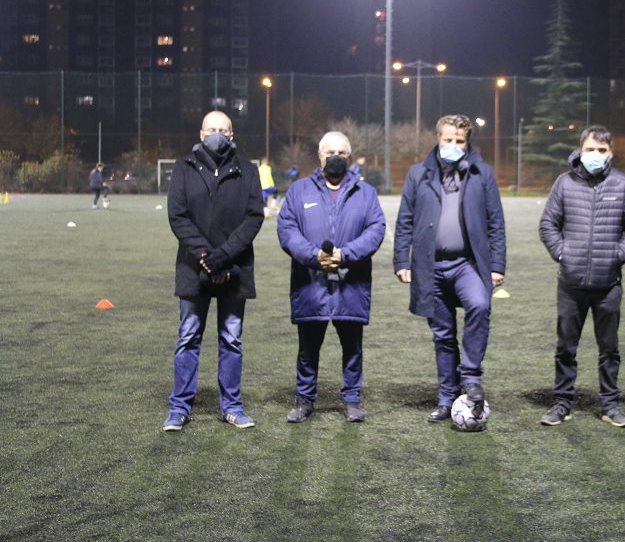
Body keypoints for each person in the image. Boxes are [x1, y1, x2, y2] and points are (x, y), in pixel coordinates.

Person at [393, 114, 506, 423]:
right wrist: (402, 260)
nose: (453, 145)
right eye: (448, 140)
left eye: (460, 141)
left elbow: (496, 222)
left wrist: (497, 266)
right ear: (438, 140)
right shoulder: (418, 174)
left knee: (480, 305)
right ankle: (446, 398)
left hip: (467, 264)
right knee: (442, 335)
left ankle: (471, 378)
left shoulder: (482, 174)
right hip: (430, 266)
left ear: (467, 144)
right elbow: (405, 220)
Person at [163, 111, 265, 431]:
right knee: (188, 337)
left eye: (223, 129)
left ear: (231, 135)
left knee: (231, 339)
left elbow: (253, 217)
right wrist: (206, 254)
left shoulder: (248, 170)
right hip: (194, 268)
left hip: (234, 268)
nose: (217, 134)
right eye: (212, 129)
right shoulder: (184, 167)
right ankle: (179, 407)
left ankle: (232, 406)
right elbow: (177, 216)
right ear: (201, 132)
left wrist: (223, 256)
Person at [538, 125, 625, 428]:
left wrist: (616, 256)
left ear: (610, 153)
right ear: (580, 150)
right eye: (590, 149)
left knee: (609, 349)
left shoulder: (622, 184)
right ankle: (562, 403)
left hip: (608, 284)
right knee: (565, 347)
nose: (595, 155)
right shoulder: (565, 183)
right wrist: (563, 254)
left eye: (601, 150)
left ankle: (610, 405)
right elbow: (548, 224)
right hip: (570, 284)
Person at [278, 132, 386, 424]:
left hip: (351, 285)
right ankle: (304, 399)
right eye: (330, 152)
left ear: (349, 157)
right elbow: (287, 229)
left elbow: (376, 230)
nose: (335, 157)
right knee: (307, 348)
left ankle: (352, 399)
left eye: (341, 152)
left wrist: (346, 254)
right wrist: (314, 255)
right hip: (310, 285)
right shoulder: (299, 191)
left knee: (352, 347)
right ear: (319, 155)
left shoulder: (366, 194)